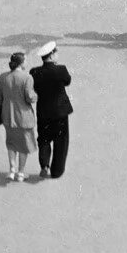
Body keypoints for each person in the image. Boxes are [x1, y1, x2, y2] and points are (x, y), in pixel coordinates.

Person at [0, 51, 37, 182]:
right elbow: (30, 98)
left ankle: (12, 170)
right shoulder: (27, 77)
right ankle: (21, 173)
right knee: (24, 145)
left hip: (8, 116)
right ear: (21, 63)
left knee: (11, 143)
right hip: (23, 117)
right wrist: (36, 96)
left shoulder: (3, 77)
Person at [31, 42, 72, 180]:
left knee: (44, 139)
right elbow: (67, 81)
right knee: (61, 141)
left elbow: (33, 87)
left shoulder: (34, 72)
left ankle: (44, 165)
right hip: (60, 112)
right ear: (52, 54)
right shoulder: (61, 70)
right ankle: (57, 171)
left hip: (43, 111)